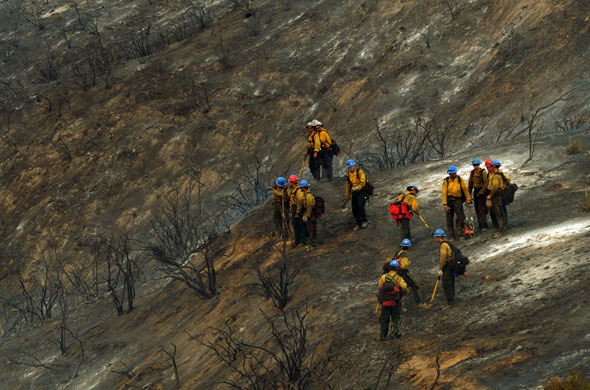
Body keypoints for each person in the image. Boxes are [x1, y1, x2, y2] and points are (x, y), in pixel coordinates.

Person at [378, 260, 408, 340]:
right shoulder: (399, 278)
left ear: (390, 268)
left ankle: (383, 336)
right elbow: (404, 287)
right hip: (396, 301)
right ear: (397, 268)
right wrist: (405, 293)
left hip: (385, 301)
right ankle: (393, 335)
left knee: (384, 318)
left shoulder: (383, 277)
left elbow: (380, 287)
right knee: (396, 318)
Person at [442, 165, 472, 240]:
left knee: (460, 216)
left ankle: (459, 234)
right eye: (452, 173)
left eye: (455, 173)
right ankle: (451, 235)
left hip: (457, 200)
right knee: (449, 218)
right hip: (449, 201)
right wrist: (445, 205)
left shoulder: (459, 179)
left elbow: (465, 189)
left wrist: (468, 198)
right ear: (449, 174)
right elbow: (444, 193)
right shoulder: (446, 181)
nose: (454, 174)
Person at [396, 239, 422, 307]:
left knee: (400, 289)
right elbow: (403, 266)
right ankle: (418, 303)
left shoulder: (399, 253)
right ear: (409, 247)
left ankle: (399, 306)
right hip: (402, 273)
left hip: (396, 273)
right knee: (414, 286)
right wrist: (408, 263)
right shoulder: (404, 255)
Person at [486, 159, 510, 237]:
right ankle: (505, 226)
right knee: (502, 210)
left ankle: (502, 228)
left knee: (498, 212)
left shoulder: (496, 176)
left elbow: (495, 187)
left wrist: (490, 195)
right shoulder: (500, 174)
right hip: (501, 195)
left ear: (493, 166)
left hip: (497, 196)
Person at [432, 228, 456, 306]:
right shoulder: (447, 243)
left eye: (435, 237)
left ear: (439, 237)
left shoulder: (443, 246)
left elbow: (443, 258)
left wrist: (440, 269)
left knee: (446, 284)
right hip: (451, 265)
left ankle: (450, 302)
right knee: (451, 283)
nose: (435, 239)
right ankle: (452, 299)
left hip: (447, 267)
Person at [344, 159, 368, 231]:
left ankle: (364, 221)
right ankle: (358, 223)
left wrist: (358, 187)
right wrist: (347, 194)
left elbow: (363, 182)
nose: (351, 167)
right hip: (354, 192)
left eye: (352, 166)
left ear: (353, 166)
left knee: (360, 206)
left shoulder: (359, 172)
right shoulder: (348, 175)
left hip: (361, 191)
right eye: (350, 167)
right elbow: (348, 184)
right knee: (354, 208)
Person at [468, 158, 489, 231]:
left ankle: (484, 225)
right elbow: (470, 184)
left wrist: (481, 192)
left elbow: (486, 183)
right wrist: (468, 195)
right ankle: (480, 225)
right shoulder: (472, 173)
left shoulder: (483, 172)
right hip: (476, 191)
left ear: (479, 165)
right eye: (474, 165)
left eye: (477, 165)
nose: (476, 166)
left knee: (482, 209)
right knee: (477, 209)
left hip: (482, 192)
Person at [288, 175, 306, 248]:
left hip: (298, 209)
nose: (289, 183)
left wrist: (298, 212)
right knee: (295, 225)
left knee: (301, 225)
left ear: (292, 182)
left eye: (290, 182)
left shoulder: (298, 191)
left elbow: (300, 201)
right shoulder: (292, 190)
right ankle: (297, 240)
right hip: (294, 208)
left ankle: (303, 241)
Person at [300, 180, 317, 251]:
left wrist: (307, 216)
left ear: (304, 187)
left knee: (311, 229)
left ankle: (313, 244)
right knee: (309, 229)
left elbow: (309, 206)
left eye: (301, 187)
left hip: (310, 215)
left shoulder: (308, 196)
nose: (300, 188)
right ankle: (311, 243)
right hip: (309, 214)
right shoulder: (306, 195)